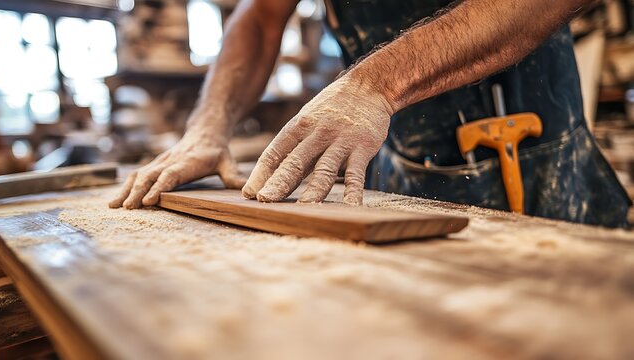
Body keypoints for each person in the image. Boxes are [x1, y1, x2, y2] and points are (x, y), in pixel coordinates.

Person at [110, 0, 631, 228]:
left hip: (542, 161)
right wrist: (207, 127)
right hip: (396, 169)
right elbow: (262, 15)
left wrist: (376, 84)